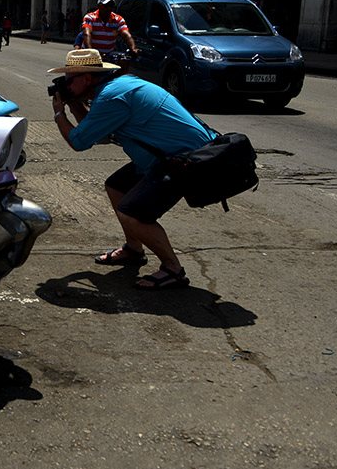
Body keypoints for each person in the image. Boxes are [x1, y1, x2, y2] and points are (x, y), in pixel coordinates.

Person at [48, 48, 214, 290]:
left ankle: (173, 269)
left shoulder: (111, 97)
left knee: (132, 213)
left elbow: (78, 141)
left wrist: (58, 113)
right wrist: (74, 104)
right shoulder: (116, 87)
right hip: (165, 157)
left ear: (87, 78)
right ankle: (134, 249)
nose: (65, 86)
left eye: (68, 80)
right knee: (116, 187)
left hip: (185, 161)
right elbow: (98, 134)